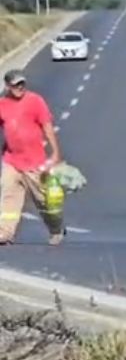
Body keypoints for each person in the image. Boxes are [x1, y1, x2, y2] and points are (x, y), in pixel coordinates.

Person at [0, 70, 65, 245]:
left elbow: (47, 126)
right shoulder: (2, 105)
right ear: (7, 86)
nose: (20, 87)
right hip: (12, 160)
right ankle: (5, 233)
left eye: (22, 83)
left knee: (43, 201)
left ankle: (56, 229)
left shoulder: (35, 101)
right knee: (8, 195)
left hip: (34, 162)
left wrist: (56, 152)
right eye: (16, 85)